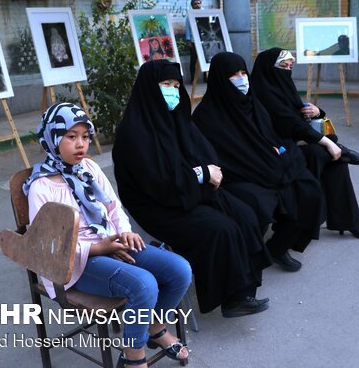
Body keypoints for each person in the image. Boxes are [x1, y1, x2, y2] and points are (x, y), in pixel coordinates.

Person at [23, 102, 192, 368]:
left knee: (180, 270)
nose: (81, 144)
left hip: (112, 243)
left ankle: (154, 326)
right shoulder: (41, 187)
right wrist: (97, 249)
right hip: (74, 265)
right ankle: (133, 356)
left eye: (85, 136)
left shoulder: (88, 169)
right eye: (71, 136)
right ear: (52, 138)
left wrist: (124, 232)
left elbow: (113, 207)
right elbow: (49, 247)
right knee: (144, 285)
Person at [112, 60, 272, 318]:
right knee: (221, 229)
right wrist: (201, 174)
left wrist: (201, 175)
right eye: (166, 84)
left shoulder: (177, 119)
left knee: (244, 213)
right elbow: (158, 181)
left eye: (176, 85)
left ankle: (244, 290)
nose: (173, 90)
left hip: (189, 192)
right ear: (149, 88)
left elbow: (205, 154)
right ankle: (230, 299)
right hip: (157, 204)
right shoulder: (134, 131)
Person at [192, 52, 325, 272]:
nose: (242, 79)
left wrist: (278, 156)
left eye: (244, 73)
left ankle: (277, 248)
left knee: (308, 190)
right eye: (234, 75)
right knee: (261, 202)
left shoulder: (253, 104)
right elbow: (220, 158)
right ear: (218, 78)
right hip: (238, 176)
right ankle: (249, 261)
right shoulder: (206, 117)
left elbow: (272, 139)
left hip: (267, 167)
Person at [252, 47, 359, 240]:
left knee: (335, 160)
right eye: (284, 66)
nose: (288, 70)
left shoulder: (282, 85)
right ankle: (311, 223)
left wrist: (319, 112)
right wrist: (327, 142)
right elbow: (289, 123)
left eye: (290, 66)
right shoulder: (262, 93)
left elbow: (299, 113)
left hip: (296, 141)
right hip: (277, 150)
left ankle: (348, 222)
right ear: (269, 68)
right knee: (323, 153)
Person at [185, 0, 203, 82]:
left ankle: (206, 78)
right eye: (195, 4)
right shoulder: (189, 16)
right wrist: (188, 40)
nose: (197, 5)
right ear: (192, 5)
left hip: (204, 40)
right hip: (194, 41)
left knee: (206, 59)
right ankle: (193, 79)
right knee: (193, 60)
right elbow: (188, 29)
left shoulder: (204, 13)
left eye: (199, 3)